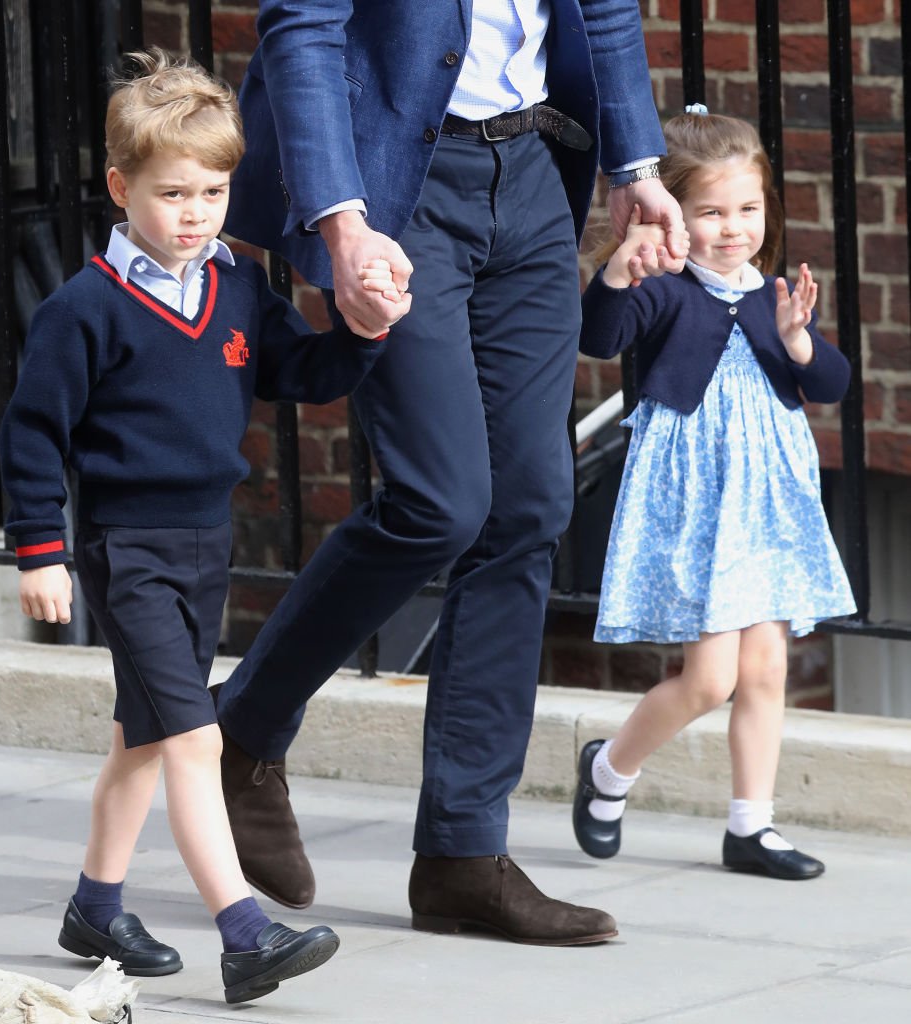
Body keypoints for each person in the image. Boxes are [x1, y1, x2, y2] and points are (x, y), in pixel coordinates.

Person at [216, 2, 689, 945]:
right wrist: (341, 226)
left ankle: (465, 854)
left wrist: (636, 166)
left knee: (529, 507)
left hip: (532, 179)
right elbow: (302, 27)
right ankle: (245, 730)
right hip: (397, 181)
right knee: (442, 502)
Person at [0, 49, 398, 1003]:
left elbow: (300, 372)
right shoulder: (83, 309)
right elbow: (30, 431)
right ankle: (244, 931)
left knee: (141, 740)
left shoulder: (235, 290)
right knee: (194, 737)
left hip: (201, 544)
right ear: (119, 187)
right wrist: (39, 551)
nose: (196, 212)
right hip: (122, 550)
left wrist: (365, 331)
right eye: (172, 192)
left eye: (214, 191)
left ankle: (96, 905)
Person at [572, 109, 856, 880]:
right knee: (709, 679)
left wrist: (800, 339)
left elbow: (829, 382)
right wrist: (620, 272)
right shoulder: (665, 290)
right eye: (712, 212)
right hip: (699, 498)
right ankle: (609, 770)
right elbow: (601, 337)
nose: (733, 229)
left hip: (767, 498)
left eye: (748, 210)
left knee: (766, 669)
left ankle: (751, 827)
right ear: (677, 212)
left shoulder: (773, 296)